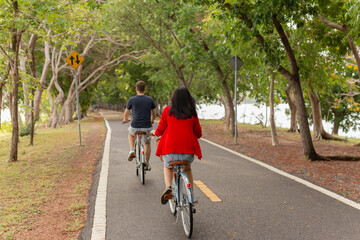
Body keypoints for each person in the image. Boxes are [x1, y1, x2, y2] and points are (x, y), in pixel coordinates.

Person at [151, 87, 202, 204]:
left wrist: (154, 132)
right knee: (187, 168)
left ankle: (168, 187)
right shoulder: (192, 113)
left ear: (173, 99)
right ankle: (191, 197)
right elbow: (198, 134)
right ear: (189, 99)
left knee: (168, 167)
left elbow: (160, 129)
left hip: (170, 153)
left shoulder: (167, 111)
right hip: (188, 154)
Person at [123, 80, 156, 170]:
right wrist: (152, 120)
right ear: (144, 89)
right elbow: (154, 114)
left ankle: (132, 149)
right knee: (147, 143)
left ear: (136, 89)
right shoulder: (150, 100)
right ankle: (147, 163)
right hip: (147, 127)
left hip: (135, 126)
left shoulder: (132, 100)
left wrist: (125, 119)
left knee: (130, 133)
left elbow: (126, 113)